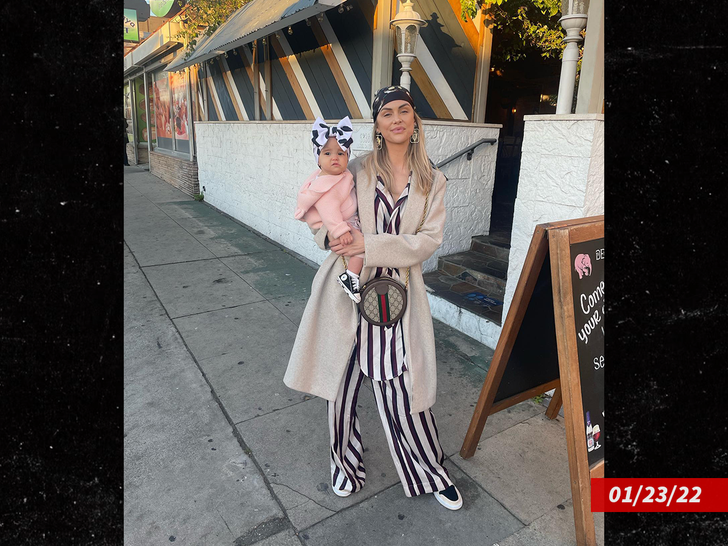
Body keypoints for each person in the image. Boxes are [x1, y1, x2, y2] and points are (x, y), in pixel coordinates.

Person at [284, 86, 462, 511]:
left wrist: (371, 244)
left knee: (403, 386)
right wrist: (329, 237)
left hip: (396, 297)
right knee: (340, 386)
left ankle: (430, 471)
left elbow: (428, 241)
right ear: (377, 125)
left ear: (415, 120)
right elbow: (318, 212)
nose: (396, 118)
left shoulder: (433, 180)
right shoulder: (355, 167)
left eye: (404, 111)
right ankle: (344, 466)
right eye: (387, 113)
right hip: (347, 290)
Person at [294, 117, 364, 302]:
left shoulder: (340, 176)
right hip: (340, 223)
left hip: (344, 220)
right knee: (361, 250)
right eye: (327, 153)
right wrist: (341, 231)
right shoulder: (325, 183)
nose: (335, 157)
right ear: (318, 159)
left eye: (341, 153)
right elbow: (328, 209)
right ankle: (350, 277)